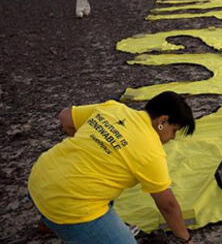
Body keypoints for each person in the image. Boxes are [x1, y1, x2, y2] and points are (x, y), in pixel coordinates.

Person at [28, 91, 197, 243]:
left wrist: (93, 147)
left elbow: (65, 117)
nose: (173, 137)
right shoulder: (152, 153)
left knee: (103, 175)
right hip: (70, 206)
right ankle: (63, 224)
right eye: (174, 130)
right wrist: (185, 240)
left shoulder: (114, 108)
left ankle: (49, 223)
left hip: (39, 178)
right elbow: (168, 205)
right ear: (163, 121)